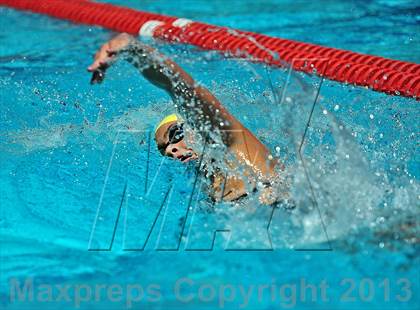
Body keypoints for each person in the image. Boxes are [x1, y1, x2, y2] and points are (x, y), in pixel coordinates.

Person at [88, 33, 287, 205]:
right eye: (164, 150)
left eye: (175, 135)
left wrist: (133, 50)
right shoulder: (213, 190)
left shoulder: (234, 147)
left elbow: (181, 89)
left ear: (194, 126)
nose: (171, 150)